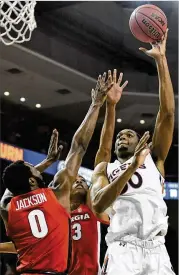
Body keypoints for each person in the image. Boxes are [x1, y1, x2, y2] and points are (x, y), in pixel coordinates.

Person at [0, 70, 129, 275]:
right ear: (32, 181)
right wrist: (96, 104)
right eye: (35, 169)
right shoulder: (56, 196)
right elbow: (79, 146)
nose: (40, 169)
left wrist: (39, 167)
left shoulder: (9, 208)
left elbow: (8, 192)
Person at [91, 29, 176, 275]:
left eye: (128, 134)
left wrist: (161, 61)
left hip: (157, 248)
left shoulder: (154, 159)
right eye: (119, 135)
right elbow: (98, 204)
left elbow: (168, 114)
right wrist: (110, 106)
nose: (121, 136)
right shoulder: (105, 168)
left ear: (141, 143)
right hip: (123, 249)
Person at [69, 70, 128, 275]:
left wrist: (109, 107)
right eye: (75, 181)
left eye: (82, 182)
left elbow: (102, 151)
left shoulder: (92, 207)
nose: (79, 182)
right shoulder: (59, 210)